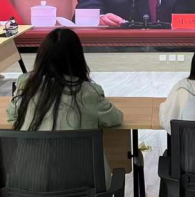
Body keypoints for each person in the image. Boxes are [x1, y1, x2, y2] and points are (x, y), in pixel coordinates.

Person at [7, 28, 122, 186]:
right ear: (78, 58)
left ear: (41, 56)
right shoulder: (89, 92)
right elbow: (115, 119)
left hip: (27, 187)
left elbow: (12, 115)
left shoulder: (26, 84)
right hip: (83, 191)